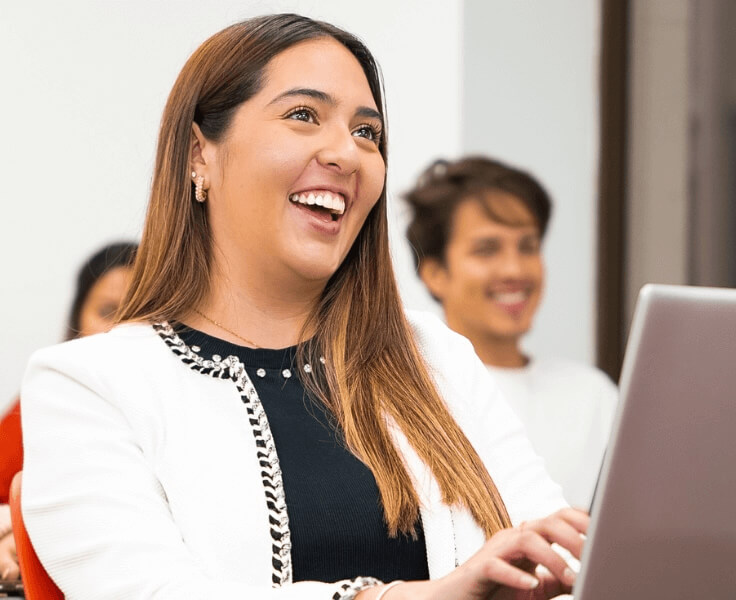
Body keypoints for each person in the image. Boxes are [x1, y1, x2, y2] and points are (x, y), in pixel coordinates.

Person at [19, 14, 588, 600]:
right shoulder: (86, 386)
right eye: (303, 116)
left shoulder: (433, 356)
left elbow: (547, 548)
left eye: (367, 132)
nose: (346, 152)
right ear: (199, 155)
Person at [405, 157, 618, 508]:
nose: (514, 269)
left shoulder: (593, 396)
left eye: (528, 247)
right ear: (435, 273)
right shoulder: (411, 394)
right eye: (487, 249)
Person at [0, 241, 137, 580]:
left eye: (139, 314)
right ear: (78, 316)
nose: (120, 329)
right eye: (107, 312)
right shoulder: (41, 402)